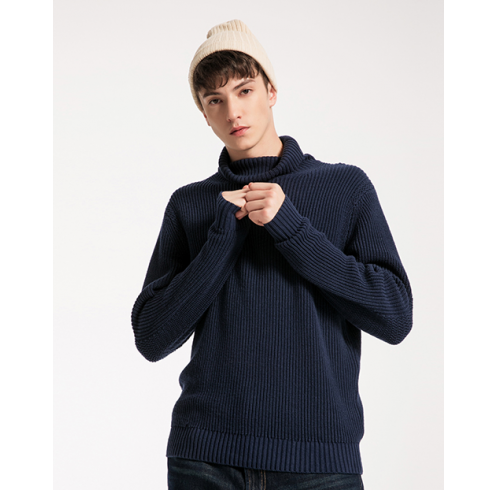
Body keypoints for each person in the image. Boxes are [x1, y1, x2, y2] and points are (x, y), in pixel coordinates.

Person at [131, 19, 413, 490]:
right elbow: (151, 337)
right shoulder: (191, 204)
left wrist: (292, 229)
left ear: (271, 91)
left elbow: (395, 317)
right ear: (204, 114)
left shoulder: (344, 187)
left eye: (244, 91)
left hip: (319, 463)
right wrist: (221, 240)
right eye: (215, 100)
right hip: (204, 459)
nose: (233, 111)